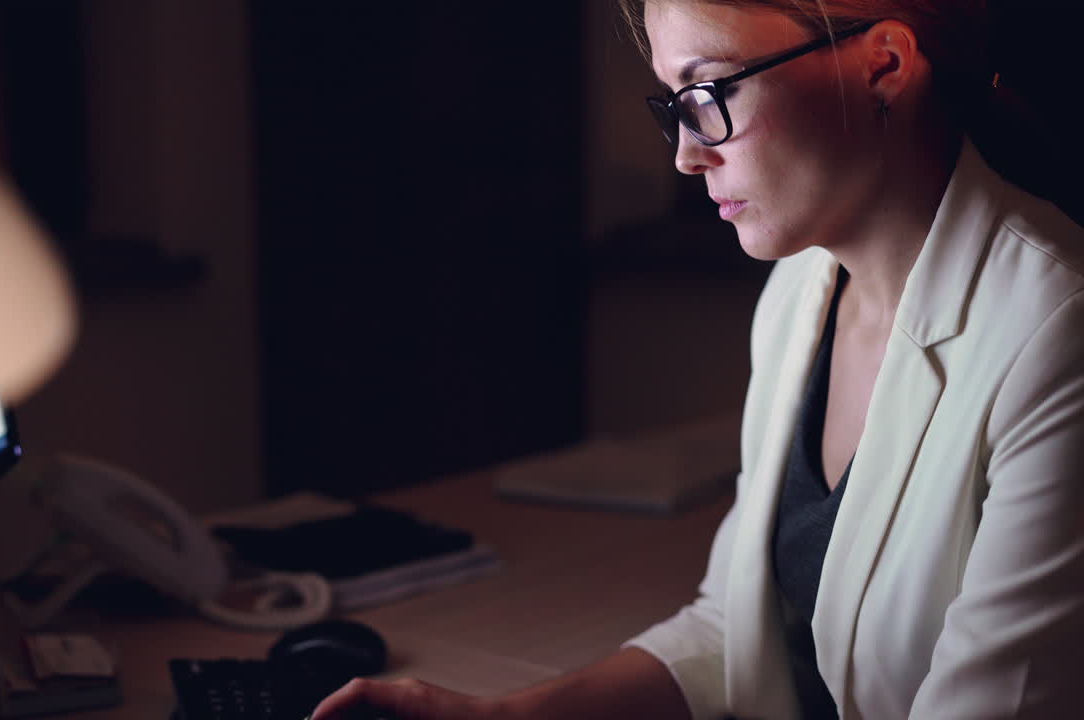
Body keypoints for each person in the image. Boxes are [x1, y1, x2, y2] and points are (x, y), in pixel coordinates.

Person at [312, 0, 1084, 717]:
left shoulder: (1056, 333)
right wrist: (500, 715)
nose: (686, 155)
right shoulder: (802, 290)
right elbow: (737, 627)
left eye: (711, 92)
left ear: (882, 65)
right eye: (674, 106)